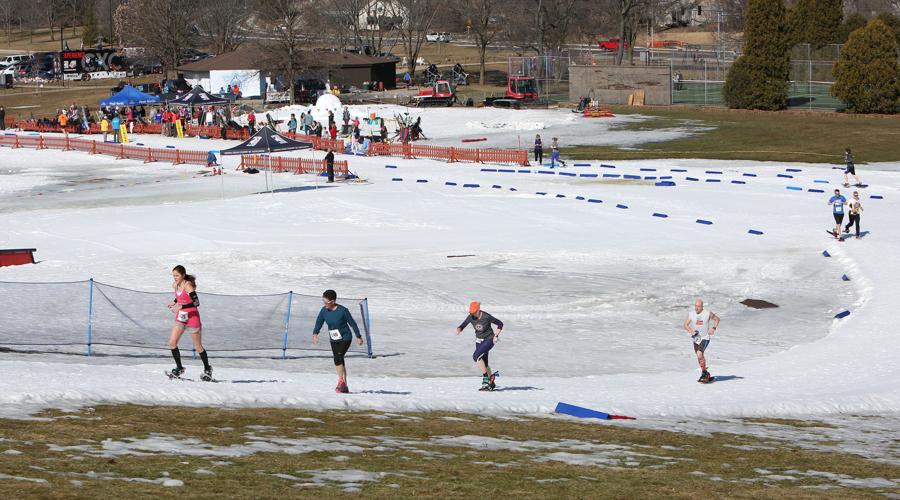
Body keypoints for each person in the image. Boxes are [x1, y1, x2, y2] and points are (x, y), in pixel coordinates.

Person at [166, 265, 213, 381]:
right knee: (172, 343)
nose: (175, 278)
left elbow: (196, 302)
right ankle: (179, 367)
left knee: (198, 346)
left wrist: (181, 306)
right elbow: (180, 297)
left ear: (182, 275)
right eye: (173, 276)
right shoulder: (175, 285)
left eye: (177, 275)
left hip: (192, 317)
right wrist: (174, 302)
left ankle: (207, 369)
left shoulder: (188, 285)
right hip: (181, 317)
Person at [312, 289, 363, 393]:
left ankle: (340, 382)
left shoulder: (343, 311)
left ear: (333, 301)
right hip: (334, 339)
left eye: (326, 302)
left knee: (338, 356)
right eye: (323, 301)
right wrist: (315, 333)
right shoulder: (323, 310)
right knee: (340, 360)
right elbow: (319, 321)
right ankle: (345, 386)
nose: (324, 304)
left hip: (345, 337)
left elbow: (352, 323)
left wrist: (358, 336)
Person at [456, 301, 504, 391]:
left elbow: (500, 324)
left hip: (489, 340)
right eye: (471, 312)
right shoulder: (471, 316)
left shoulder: (486, 316)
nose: (472, 314)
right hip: (478, 341)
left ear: (478, 310)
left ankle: (485, 378)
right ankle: (491, 381)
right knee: (484, 363)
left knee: (476, 356)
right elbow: (463, 325)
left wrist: (496, 336)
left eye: (474, 312)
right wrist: (459, 329)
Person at [682, 298, 720, 383]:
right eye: (695, 306)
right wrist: (691, 331)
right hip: (696, 338)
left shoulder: (707, 313)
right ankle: (705, 373)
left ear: (702, 307)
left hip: (705, 337)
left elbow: (717, 319)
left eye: (698, 306)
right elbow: (685, 325)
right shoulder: (691, 314)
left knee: (699, 354)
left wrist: (713, 328)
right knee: (699, 357)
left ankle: (705, 373)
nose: (696, 308)